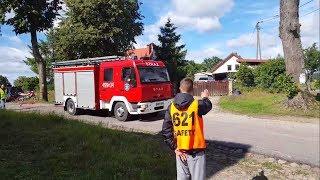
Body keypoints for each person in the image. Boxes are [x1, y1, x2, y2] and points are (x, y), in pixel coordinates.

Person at [162, 78, 212, 180]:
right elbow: (208, 105)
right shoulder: (197, 105)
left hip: (180, 152)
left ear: (180, 88)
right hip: (196, 153)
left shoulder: (171, 107)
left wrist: (174, 147)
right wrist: (205, 98)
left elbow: (166, 130)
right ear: (192, 89)